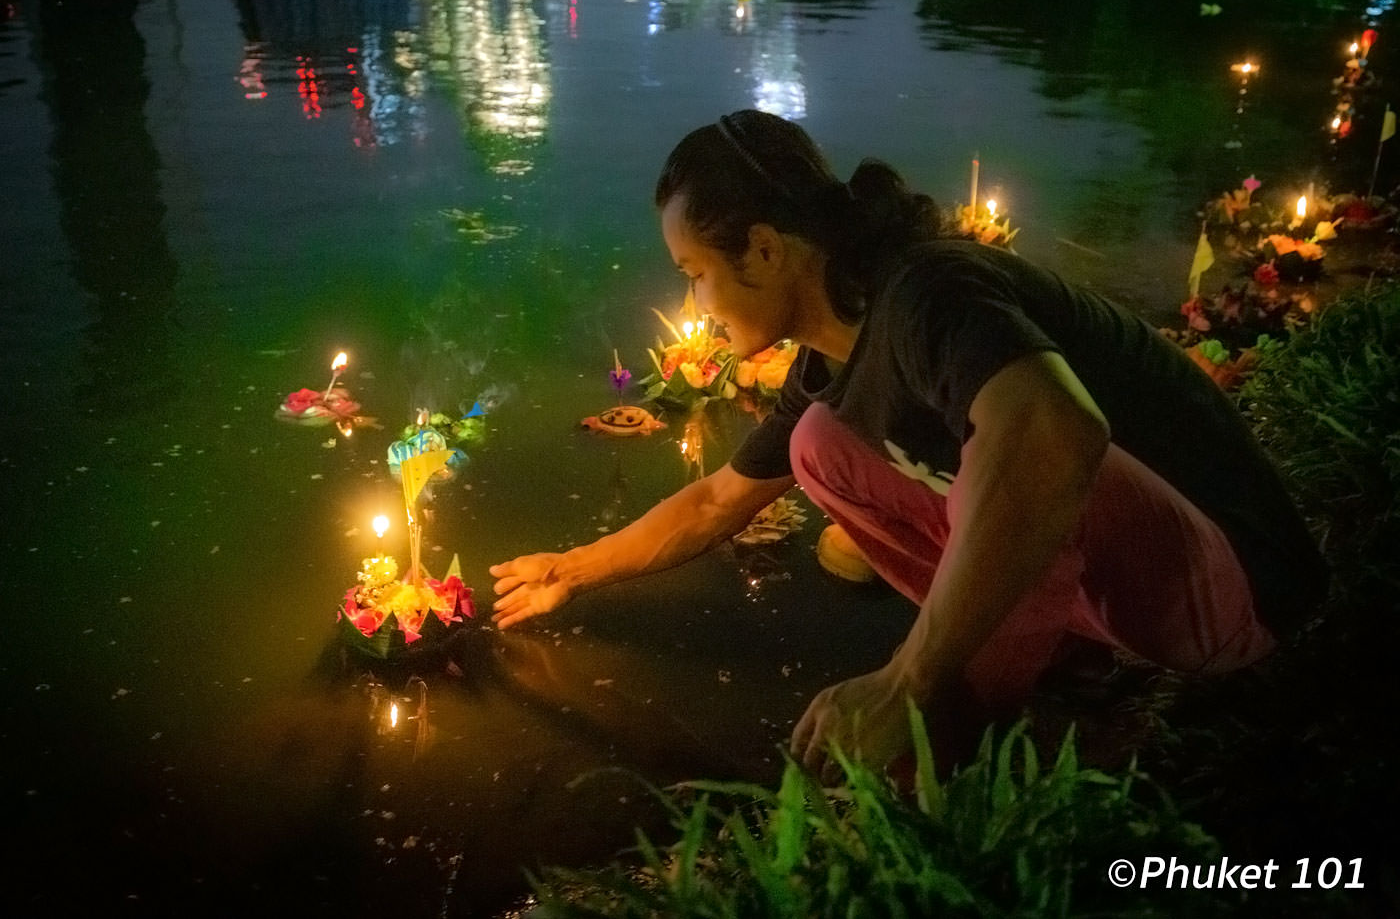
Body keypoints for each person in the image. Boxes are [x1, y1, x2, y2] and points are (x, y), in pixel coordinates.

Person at [489, 109, 1327, 776]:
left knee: (1025, 437)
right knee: (819, 447)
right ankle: (1061, 668)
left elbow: (1054, 430)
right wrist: (567, 570)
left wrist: (908, 677)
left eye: (694, 272)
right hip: (1156, 598)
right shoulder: (829, 363)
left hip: (1238, 593)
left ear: (768, 249)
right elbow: (716, 501)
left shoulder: (931, 291)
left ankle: (964, 715)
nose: (698, 300)